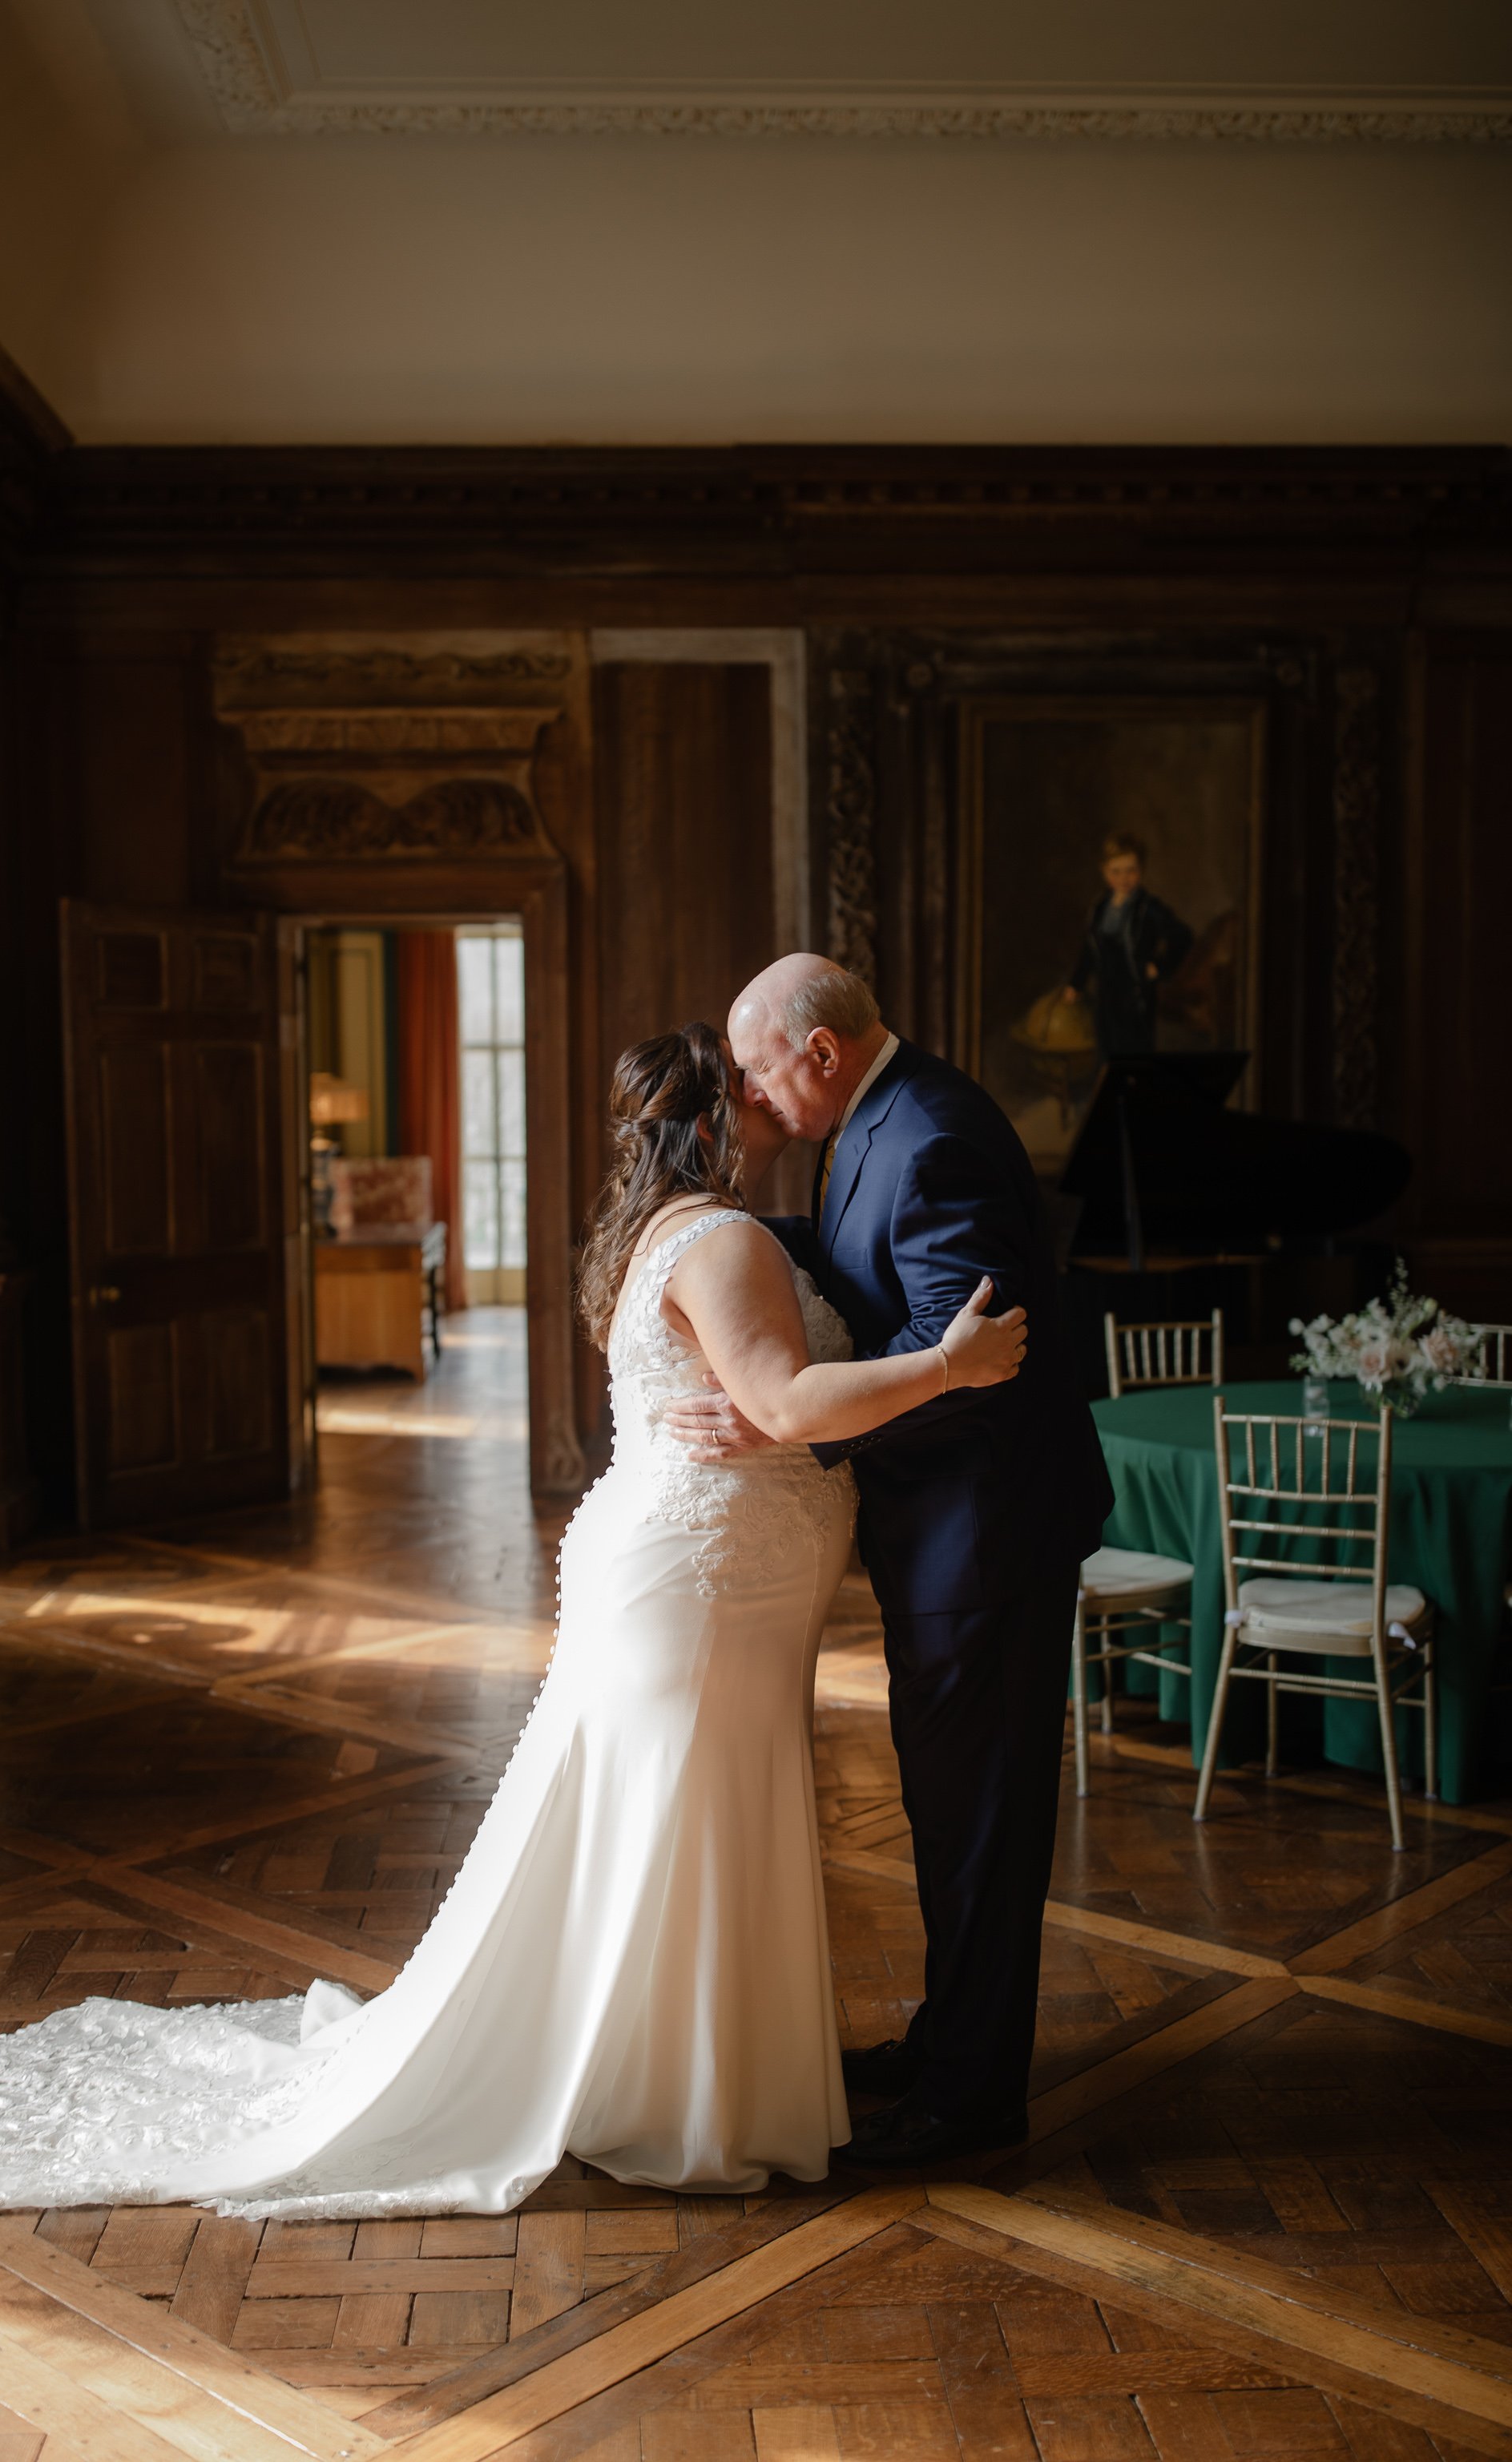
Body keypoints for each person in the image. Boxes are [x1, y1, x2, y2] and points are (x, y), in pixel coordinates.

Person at [0, 1023, 1025, 2218]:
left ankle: (664, 2080)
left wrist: (771, 1405)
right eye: (740, 1091)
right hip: (705, 1587)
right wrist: (952, 1364)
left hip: (697, 1576)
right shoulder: (723, 1237)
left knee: (669, 1824)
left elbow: (749, 1391)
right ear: (705, 1123)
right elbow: (787, 1401)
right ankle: (677, 2103)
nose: (759, 1106)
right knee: (684, 1819)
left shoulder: (653, 1235)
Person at [668, 957, 1113, 2166]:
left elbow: (966, 1360)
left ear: (818, 1054)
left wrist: (783, 1419)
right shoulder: (881, 1117)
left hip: (987, 1540)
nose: (755, 1100)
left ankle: (969, 2108)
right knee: (950, 1808)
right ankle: (949, 2045)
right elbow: (864, 1258)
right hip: (950, 1541)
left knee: (983, 1823)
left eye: (760, 1071)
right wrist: (716, 1231)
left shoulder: (933, 1140)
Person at [1063, 831, 1192, 1059]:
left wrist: (1160, 966)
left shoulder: (1148, 909)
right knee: (1106, 1050)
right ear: (1104, 871)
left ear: (1141, 870)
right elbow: (1090, 950)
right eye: (1117, 871)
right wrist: (1077, 983)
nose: (1124, 878)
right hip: (1106, 994)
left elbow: (1182, 936)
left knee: (1134, 1054)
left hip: (1135, 995)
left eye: (1131, 870)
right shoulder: (1100, 908)